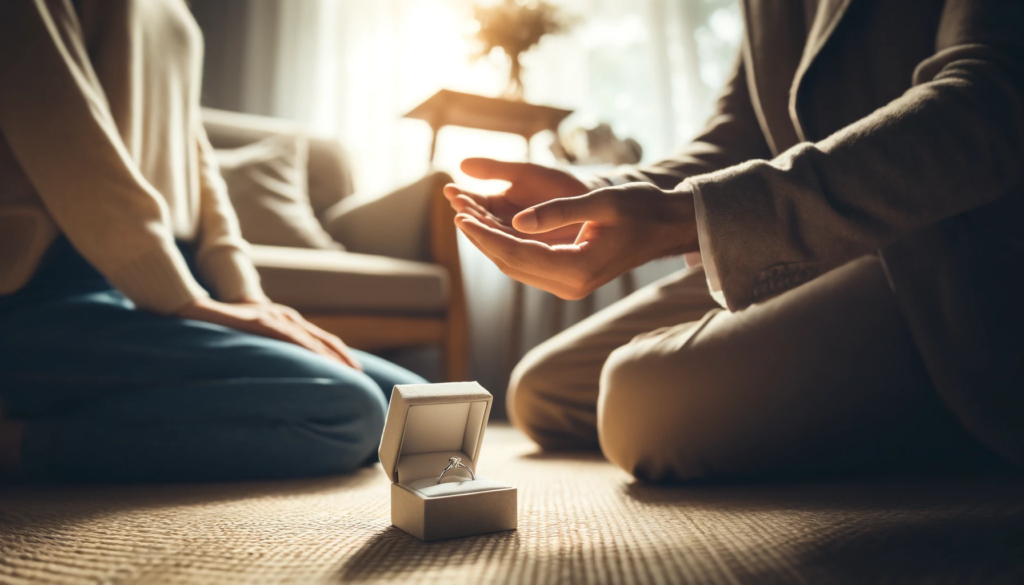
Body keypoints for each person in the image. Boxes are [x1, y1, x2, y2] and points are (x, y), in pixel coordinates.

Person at [446, 0, 1023, 482]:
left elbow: (989, 102)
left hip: (943, 258)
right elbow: (739, 135)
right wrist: (593, 191)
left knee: (636, 405)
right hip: (819, 247)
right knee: (542, 392)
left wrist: (687, 217)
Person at [0, 0, 424, 483]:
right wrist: (180, 299)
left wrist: (246, 297)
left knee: (412, 403)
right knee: (350, 412)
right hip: (44, 292)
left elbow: (193, 153)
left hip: (155, 294)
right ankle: (21, 444)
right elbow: (65, 139)